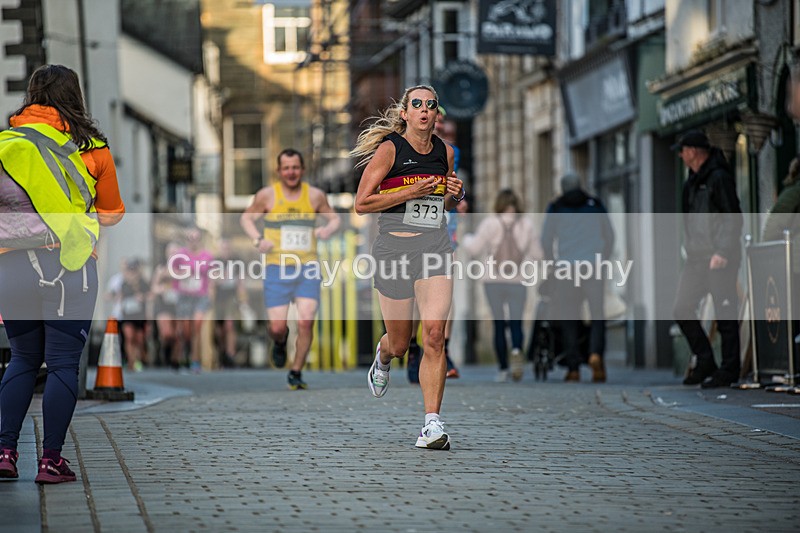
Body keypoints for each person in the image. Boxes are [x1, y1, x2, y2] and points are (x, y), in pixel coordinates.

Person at [0, 64, 125, 483]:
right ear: (75, 97)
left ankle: (5, 453)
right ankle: (51, 461)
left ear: (31, 97)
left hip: (12, 264)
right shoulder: (92, 148)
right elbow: (111, 215)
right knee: (61, 364)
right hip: (68, 266)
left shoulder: (5, 144)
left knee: (20, 360)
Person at [352, 85, 464, 450]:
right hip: (394, 249)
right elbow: (363, 203)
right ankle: (383, 357)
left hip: (434, 247)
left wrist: (454, 194)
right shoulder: (390, 150)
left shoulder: (445, 152)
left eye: (431, 105)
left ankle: (432, 424)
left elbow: (442, 204)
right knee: (401, 343)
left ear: (436, 114)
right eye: (417, 104)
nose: (425, 110)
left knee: (433, 335)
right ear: (405, 113)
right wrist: (408, 193)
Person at [240, 148, 339, 390]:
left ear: (302, 170)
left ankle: (296, 371)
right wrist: (257, 240)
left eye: (295, 167)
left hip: (308, 267)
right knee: (277, 327)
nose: (291, 172)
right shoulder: (266, 196)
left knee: (306, 322)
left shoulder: (315, 196)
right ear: (279, 171)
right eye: (286, 168)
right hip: (277, 268)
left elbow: (334, 218)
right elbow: (246, 218)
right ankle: (280, 341)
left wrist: (327, 230)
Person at [671, 130, 743, 388]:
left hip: (718, 258)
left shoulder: (719, 177)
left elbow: (732, 216)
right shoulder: (690, 182)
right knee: (681, 308)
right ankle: (705, 361)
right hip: (696, 259)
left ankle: (730, 369)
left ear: (692, 151)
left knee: (725, 314)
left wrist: (723, 251)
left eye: (682, 150)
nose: (680, 155)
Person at [540, 173, 614, 383]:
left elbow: (546, 240)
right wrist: (603, 258)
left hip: (566, 269)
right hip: (593, 266)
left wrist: (553, 264)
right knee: (597, 315)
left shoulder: (556, 207)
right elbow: (609, 235)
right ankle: (595, 355)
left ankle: (573, 368)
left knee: (569, 318)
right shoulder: (595, 204)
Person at [462, 189, 540, 382]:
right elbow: (538, 254)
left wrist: (465, 237)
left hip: (493, 280)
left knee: (498, 323)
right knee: (516, 321)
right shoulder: (526, 224)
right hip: (518, 280)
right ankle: (516, 350)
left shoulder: (490, 223)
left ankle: (504, 368)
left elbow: (474, 248)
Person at [171, 227, 214, 373]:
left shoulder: (207, 256)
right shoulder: (180, 255)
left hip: (200, 296)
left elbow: (212, 274)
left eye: (196, 238)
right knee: (185, 330)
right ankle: (182, 356)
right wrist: (182, 273)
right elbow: (171, 271)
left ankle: (195, 361)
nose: (193, 241)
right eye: (190, 238)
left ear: (200, 240)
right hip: (184, 296)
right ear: (186, 240)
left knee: (197, 327)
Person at [211, 238, 247, 368]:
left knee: (229, 325)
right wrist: (222, 277)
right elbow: (213, 281)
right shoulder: (215, 261)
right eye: (223, 248)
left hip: (231, 297)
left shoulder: (237, 262)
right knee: (219, 329)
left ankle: (230, 354)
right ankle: (221, 353)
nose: (226, 251)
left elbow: (241, 282)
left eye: (228, 248)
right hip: (218, 298)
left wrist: (243, 300)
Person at [150, 242, 181, 367]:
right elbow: (153, 288)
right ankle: (164, 349)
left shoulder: (184, 269)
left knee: (178, 334)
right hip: (164, 304)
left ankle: (174, 360)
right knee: (167, 333)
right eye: (171, 252)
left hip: (178, 305)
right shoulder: (161, 269)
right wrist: (161, 289)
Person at [119, 257, 149, 371]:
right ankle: (131, 361)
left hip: (140, 315)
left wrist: (142, 297)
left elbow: (150, 295)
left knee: (139, 339)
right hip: (128, 315)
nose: (132, 273)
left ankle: (137, 359)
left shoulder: (143, 283)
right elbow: (120, 298)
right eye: (130, 270)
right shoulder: (124, 284)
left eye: (134, 270)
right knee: (129, 337)